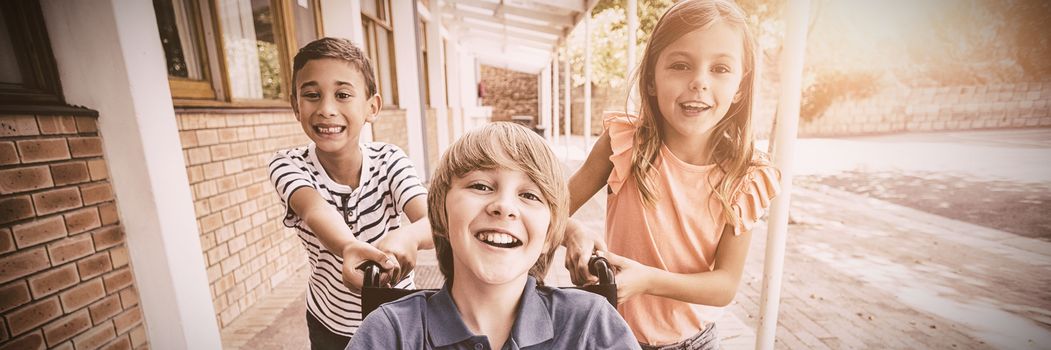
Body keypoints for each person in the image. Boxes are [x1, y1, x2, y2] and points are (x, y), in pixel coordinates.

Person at [561, 0, 782, 349]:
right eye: (680, 65)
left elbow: (725, 285)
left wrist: (647, 281)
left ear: (741, 86)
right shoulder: (623, 143)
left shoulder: (746, 176)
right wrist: (572, 232)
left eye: (721, 69)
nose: (698, 82)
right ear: (651, 79)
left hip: (694, 342)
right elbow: (549, 209)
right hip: (608, 336)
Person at [348, 122, 641, 350]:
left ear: (551, 234)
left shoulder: (590, 325)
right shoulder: (391, 332)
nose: (504, 206)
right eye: (480, 186)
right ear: (440, 213)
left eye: (529, 194)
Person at [268, 37, 433, 349]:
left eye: (343, 95)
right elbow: (315, 210)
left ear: (372, 107)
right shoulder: (288, 165)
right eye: (312, 95)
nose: (327, 109)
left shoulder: (390, 159)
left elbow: (431, 219)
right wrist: (347, 247)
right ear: (296, 106)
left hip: (398, 314)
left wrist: (409, 238)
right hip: (331, 322)